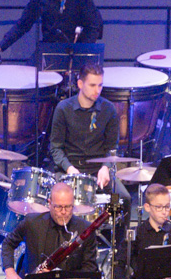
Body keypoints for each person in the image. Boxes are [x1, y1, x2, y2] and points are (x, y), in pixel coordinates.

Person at [1, 176, 95, 279]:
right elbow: (8, 244)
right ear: (50, 203)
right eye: (59, 207)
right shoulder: (32, 222)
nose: (64, 213)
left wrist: (65, 277)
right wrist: (10, 271)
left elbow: (90, 267)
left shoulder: (85, 228)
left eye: (68, 207)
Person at [47, 65, 121, 195]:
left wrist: (106, 167)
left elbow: (112, 147)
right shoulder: (63, 108)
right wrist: (69, 168)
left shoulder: (108, 109)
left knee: (123, 200)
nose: (97, 90)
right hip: (69, 168)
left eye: (100, 85)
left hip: (98, 170)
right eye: (92, 85)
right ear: (80, 84)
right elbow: (55, 147)